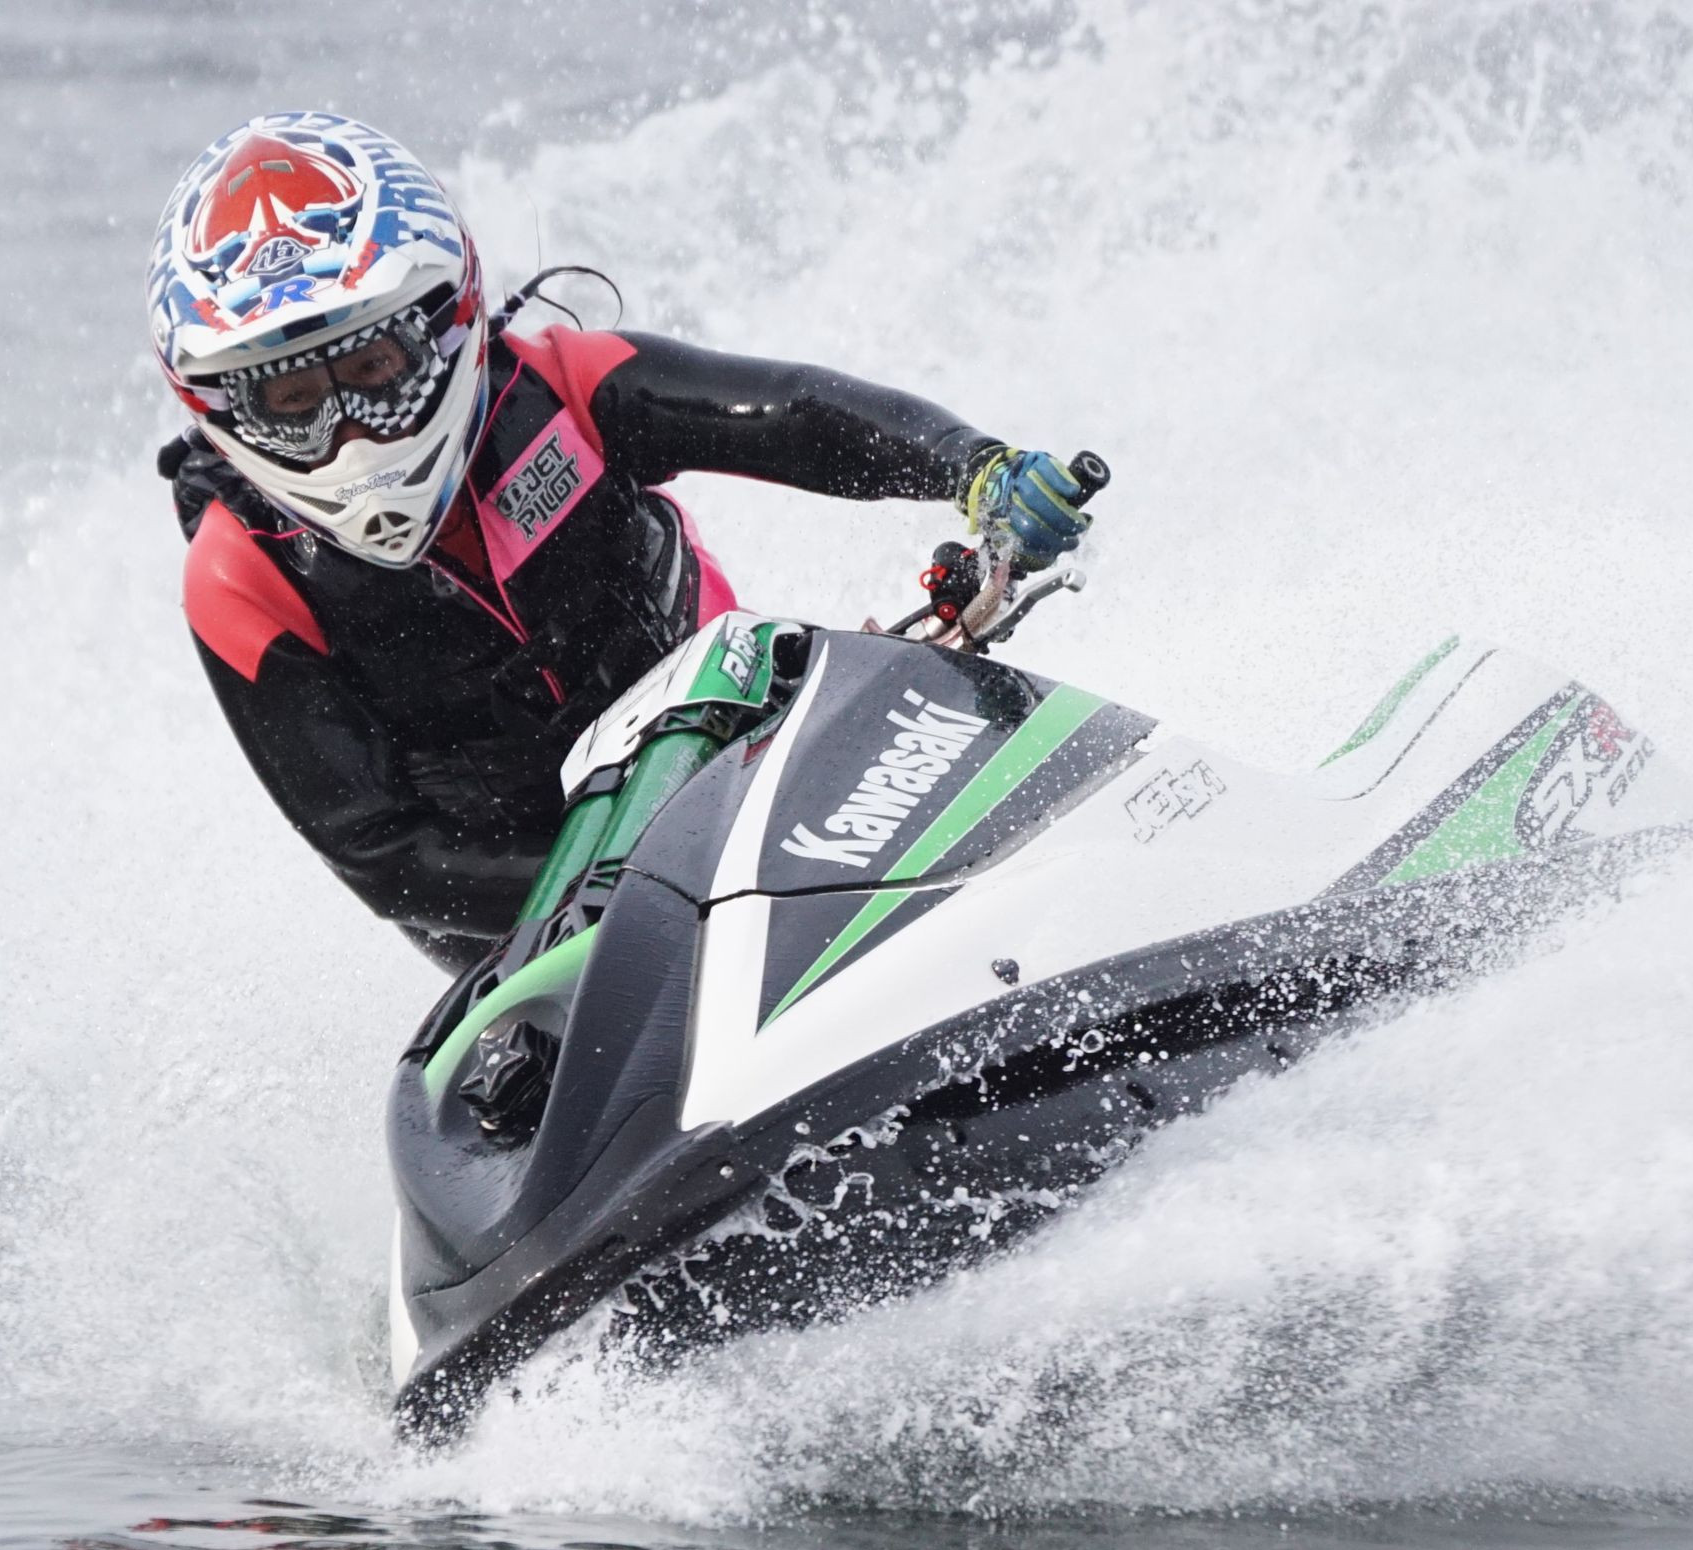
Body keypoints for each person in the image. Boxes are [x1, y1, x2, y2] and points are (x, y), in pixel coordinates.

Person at [148, 111, 1095, 969]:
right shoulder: (237, 575)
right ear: (226, 409)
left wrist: (973, 468)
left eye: (370, 368)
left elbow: (796, 413)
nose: (349, 431)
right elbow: (388, 859)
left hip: (748, 768)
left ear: (441, 322)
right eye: (295, 399)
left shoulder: (564, 385)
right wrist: (631, 880)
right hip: (541, 931)